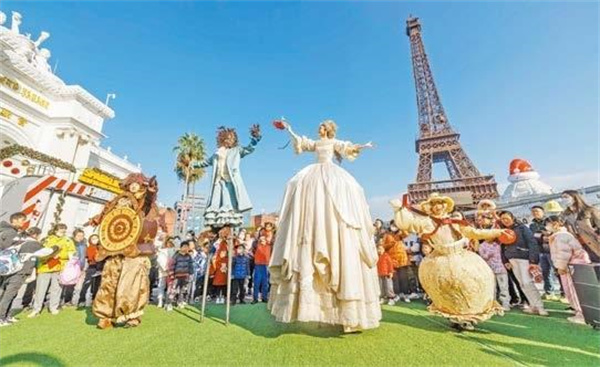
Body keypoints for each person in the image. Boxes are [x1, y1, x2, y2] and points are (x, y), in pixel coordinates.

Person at [269, 119, 380, 333]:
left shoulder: (334, 142)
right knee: (295, 185)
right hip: (314, 177)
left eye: (321, 126)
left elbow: (347, 148)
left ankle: (347, 313)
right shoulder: (315, 145)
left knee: (347, 196)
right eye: (318, 126)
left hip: (331, 177)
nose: (319, 128)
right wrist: (289, 130)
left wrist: (363, 146)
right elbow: (302, 143)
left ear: (327, 130)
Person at [391, 193, 508, 330]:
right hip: (440, 260)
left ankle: (467, 317)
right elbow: (408, 224)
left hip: (460, 257)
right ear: (430, 207)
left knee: (469, 285)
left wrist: (498, 232)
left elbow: (475, 233)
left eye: (440, 203)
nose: (438, 207)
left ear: (445, 206)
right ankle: (455, 316)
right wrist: (399, 210)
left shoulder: (455, 223)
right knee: (447, 290)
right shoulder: (427, 223)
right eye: (434, 204)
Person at [90, 173, 166, 329]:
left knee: (130, 284)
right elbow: (107, 215)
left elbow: (149, 203)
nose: (133, 186)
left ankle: (132, 316)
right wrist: (97, 219)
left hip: (134, 250)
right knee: (108, 281)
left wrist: (152, 192)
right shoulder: (117, 201)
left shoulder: (144, 203)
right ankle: (105, 316)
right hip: (113, 247)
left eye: (136, 183)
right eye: (131, 183)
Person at [192, 125, 261, 228]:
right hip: (218, 181)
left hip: (231, 181)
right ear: (222, 139)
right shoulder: (217, 154)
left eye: (231, 139)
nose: (229, 140)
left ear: (234, 140)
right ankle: (216, 223)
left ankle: (228, 222)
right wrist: (193, 164)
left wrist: (255, 139)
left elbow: (249, 149)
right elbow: (206, 162)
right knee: (215, 201)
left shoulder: (237, 150)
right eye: (227, 138)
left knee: (228, 202)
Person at [498, 211, 548, 316]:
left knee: (527, 282)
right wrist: (505, 261)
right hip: (511, 259)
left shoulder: (522, 228)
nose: (505, 221)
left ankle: (540, 306)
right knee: (521, 284)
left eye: (506, 218)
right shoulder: (503, 231)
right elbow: (502, 247)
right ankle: (533, 305)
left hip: (524, 258)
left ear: (512, 217)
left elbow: (532, 243)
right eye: (502, 219)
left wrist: (533, 260)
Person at [546, 215, 591, 324]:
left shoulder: (561, 236)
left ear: (556, 224)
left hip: (572, 266)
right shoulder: (560, 235)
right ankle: (580, 312)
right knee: (574, 290)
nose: (546, 227)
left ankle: (582, 314)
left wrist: (561, 267)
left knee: (573, 290)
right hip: (573, 265)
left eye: (548, 224)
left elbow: (564, 253)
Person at [0, 227, 46, 326]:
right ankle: (1, 318)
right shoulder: (34, 244)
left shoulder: (18, 241)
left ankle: (7, 316)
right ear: (35, 235)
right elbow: (46, 252)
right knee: (9, 295)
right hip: (20, 272)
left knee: (8, 294)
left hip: (10, 270)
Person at [29, 223, 76, 317]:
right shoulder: (47, 239)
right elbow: (41, 252)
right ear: (55, 230)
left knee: (57, 288)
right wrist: (49, 255)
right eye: (60, 231)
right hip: (45, 267)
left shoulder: (68, 241)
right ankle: (36, 308)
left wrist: (61, 256)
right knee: (40, 289)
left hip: (59, 267)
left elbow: (72, 253)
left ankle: (53, 307)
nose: (62, 233)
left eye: (64, 231)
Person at [529, 206, 561, 300]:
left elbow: (552, 232)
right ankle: (548, 292)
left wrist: (542, 235)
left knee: (557, 271)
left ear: (543, 212)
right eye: (533, 211)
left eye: (537, 211)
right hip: (541, 251)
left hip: (552, 250)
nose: (535, 213)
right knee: (545, 272)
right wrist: (542, 235)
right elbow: (533, 236)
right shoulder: (532, 225)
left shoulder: (548, 221)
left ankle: (563, 292)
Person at [560, 190, 600, 263]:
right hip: (580, 247)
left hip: (594, 243)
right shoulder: (565, 215)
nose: (563, 200)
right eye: (562, 198)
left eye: (566, 197)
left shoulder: (590, 210)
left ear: (575, 198)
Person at [61, 228, 86, 307]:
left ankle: (68, 300)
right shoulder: (70, 243)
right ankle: (60, 300)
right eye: (78, 235)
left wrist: (82, 266)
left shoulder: (83, 244)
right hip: (69, 266)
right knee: (64, 283)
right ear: (74, 235)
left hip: (79, 266)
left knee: (72, 284)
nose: (80, 237)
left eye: (82, 236)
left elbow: (83, 256)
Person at [77, 234, 102, 307]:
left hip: (100, 267)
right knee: (87, 283)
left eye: (96, 238)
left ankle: (94, 300)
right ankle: (81, 300)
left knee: (97, 285)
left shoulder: (100, 248)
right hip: (92, 267)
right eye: (93, 239)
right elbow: (92, 257)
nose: (95, 240)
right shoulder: (89, 248)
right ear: (90, 240)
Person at [172, 241, 194, 309]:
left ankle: (180, 302)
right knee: (173, 289)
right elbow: (172, 264)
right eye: (184, 246)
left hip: (185, 275)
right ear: (180, 247)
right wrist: (172, 274)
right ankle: (169, 302)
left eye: (187, 247)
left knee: (182, 290)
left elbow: (191, 265)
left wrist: (191, 274)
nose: (185, 248)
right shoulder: (176, 255)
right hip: (177, 275)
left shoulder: (189, 256)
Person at [156, 237, 176, 308]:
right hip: (163, 271)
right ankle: (160, 300)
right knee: (161, 285)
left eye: (172, 242)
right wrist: (165, 268)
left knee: (170, 287)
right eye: (169, 242)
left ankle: (168, 301)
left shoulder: (174, 251)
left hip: (171, 272)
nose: (170, 243)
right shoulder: (162, 251)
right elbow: (160, 261)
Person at [252, 234, 271, 304]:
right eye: (261, 240)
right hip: (258, 265)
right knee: (256, 282)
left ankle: (264, 298)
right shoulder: (257, 245)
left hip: (265, 265)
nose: (262, 241)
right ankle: (255, 298)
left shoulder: (269, 246)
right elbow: (254, 243)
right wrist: (259, 238)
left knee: (265, 283)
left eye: (263, 240)